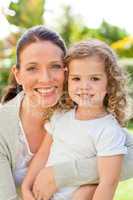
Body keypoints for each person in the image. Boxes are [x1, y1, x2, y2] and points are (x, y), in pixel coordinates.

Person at [0, 25, 133, 200]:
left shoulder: (80, 111)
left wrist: (61, 175)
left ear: (66, 72)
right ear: (18, 75)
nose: (46, 78)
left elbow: (126, 160)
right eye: (32, 68)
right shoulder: (5, 127)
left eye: (55, 66)